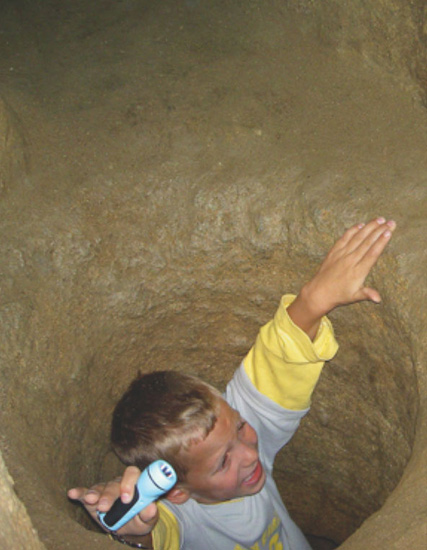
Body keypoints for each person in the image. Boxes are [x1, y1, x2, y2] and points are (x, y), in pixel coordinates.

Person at [68, 217, 396, 550]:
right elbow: (156, 533)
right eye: (222, 462)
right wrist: (131, 526)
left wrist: (313, 299)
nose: (249, 454)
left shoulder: (239, 439)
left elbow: (276, 359)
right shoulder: (185, 519)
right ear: (177, 491)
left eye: (239, 427)